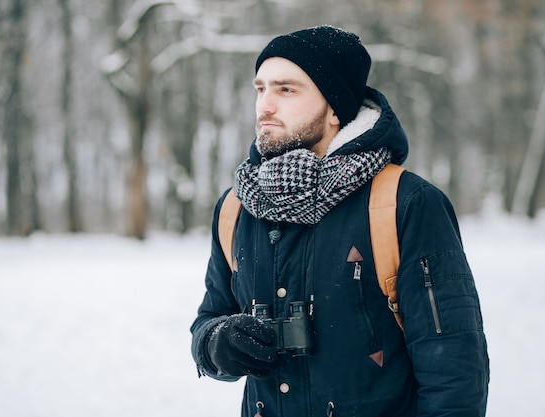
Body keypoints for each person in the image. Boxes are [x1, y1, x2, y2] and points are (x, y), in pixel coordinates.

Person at [190, 25, 489, 417]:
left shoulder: (406, 203)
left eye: (286, 89)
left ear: (335, 107)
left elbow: (454, 373)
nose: (264, 106)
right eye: (260, 89)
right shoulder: (237, 207)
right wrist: (219, 344)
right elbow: (208, 321)